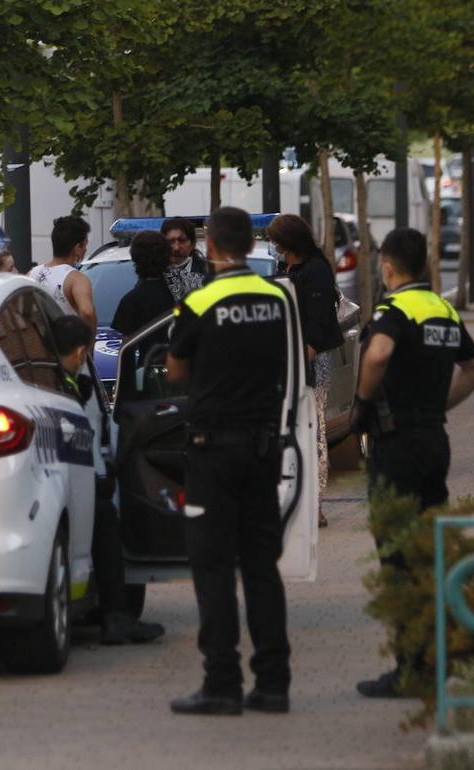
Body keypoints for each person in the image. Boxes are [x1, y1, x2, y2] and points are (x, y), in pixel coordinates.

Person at [164, 207, 293, 716]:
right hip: (263, 445)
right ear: (251, 246)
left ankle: (222, 683)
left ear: (211, 247)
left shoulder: (198, 301)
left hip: (212, 449)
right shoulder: (276, 297)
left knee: (213, 566)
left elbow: (175, 371)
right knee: (262, 566)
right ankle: (274, 684)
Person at [352, 228, 474, 698]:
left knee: (397, 556)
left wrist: (362, 403)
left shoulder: (394, 310)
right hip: (434, 440)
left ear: (388, 266)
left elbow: (378, 354)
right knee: (430, 552)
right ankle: (436, 660)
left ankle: (410, 669)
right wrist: (437, 407)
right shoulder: (442, 309)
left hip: (397, 445)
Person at [51, 315, 164, 646]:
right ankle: (117, 617)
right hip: (73, 478)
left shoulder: (52, 376)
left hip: (62, 478)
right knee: (107, 525)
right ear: (80, 352)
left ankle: (114, 614)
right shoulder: (66, 383)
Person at [269, 214, 345, 528]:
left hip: (309, 361)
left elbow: (319, 322)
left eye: (275, 239)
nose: (273, 245)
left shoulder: (315, 270)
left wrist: (303, 359)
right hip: (288, 361)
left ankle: (315, 504)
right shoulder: (285, 269)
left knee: (313, 430)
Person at [28, 216, 98, 328]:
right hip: (67, 338)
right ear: (77, 248)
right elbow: (87, 312)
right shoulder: (76, 279)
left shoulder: (31, 274)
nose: (86, 249)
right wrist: (90, 337)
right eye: (85, 244)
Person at [112, 231, 178, 344]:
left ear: (135, 259)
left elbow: (127, 347)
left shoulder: (130, 301)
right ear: (167, 256)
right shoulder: (183, 292)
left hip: (148, 356)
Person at [160, 217, 209, 304]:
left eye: (182, 240)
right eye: (171, 241)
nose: (176, 248)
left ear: (192, 244)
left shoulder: (208, 272)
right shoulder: (155, 273)